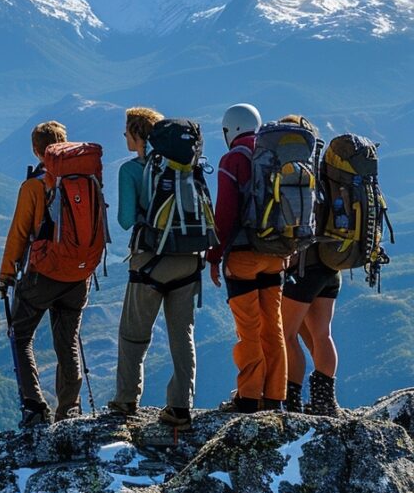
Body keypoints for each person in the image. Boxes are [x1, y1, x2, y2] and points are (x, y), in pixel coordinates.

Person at [108, 108, 200, 430]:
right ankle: (180, 409)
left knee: (133, 333)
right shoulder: (187, 168)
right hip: (189, 258)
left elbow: (125, 220)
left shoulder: (131, 170)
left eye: (126, 132)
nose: (124, 137)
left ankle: (126, 400)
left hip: (151, 260)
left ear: (137, 135)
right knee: (182, 335)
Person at [0, 120, 88, 426]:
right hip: (78, 275)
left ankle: (35, 408)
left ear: (36, 150)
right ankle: (70, 410)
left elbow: (19, 234)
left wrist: (5, 276)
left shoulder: (34, 187)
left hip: (42, 274)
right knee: (68, 341)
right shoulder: (85, 181)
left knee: (20, 336)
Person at [208, 103, 287, 412]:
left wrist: (214, 257)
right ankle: (275, 397)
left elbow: (225, 215)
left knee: (248, 329)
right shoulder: (276, 155)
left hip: (243, 256)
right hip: (276, 254)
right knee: (273, 325)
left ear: (230, 129)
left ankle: (249, 397)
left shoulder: (233, 159)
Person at [278, 115, 340, 416]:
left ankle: (290, 400)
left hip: (302, 269)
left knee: (285, 333)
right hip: (330, 265)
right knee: (321, 334)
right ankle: (324, 401)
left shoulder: (296, 174)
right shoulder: (330, 172)